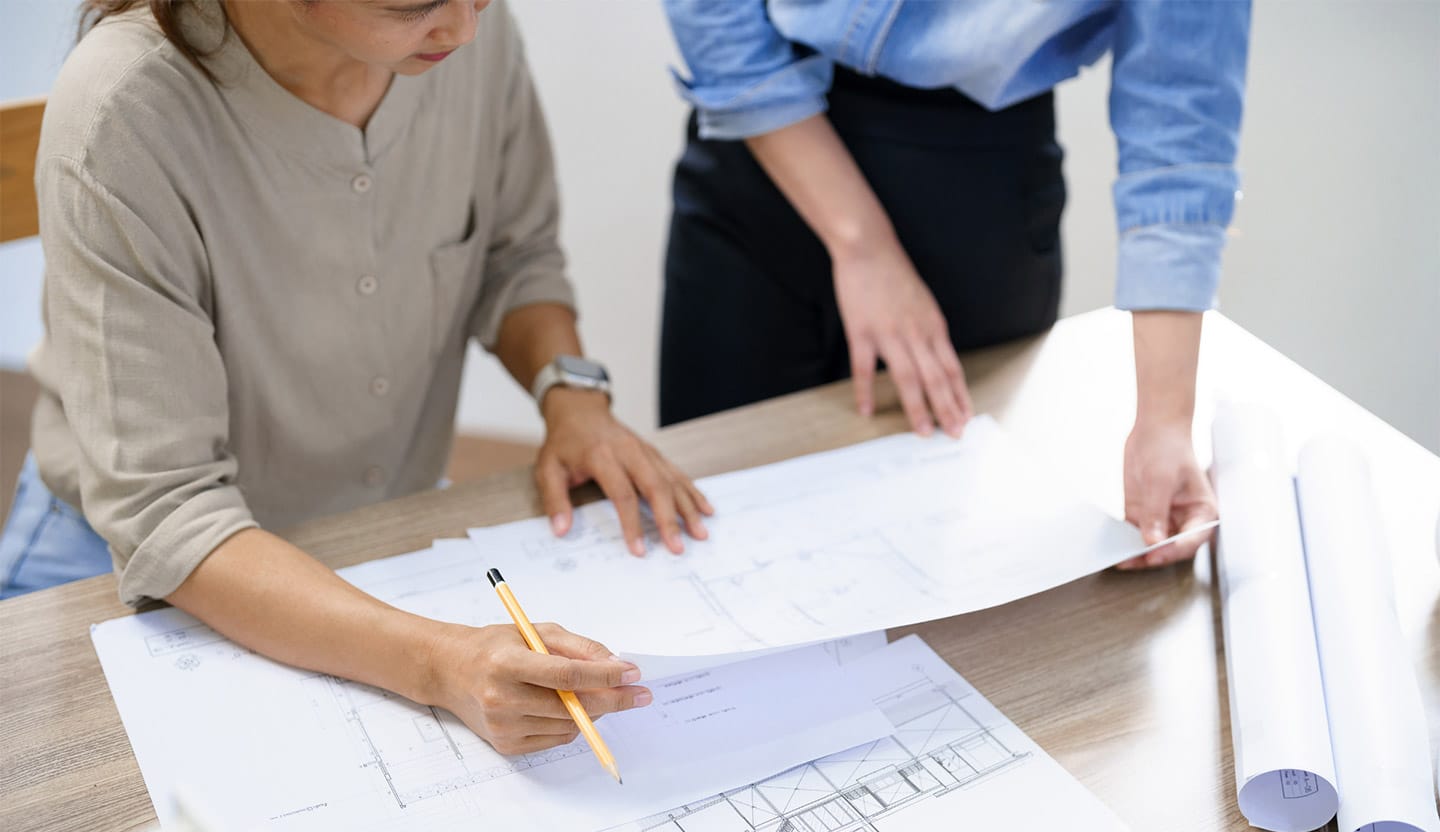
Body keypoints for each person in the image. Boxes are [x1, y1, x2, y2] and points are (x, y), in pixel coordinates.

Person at [0, 0, 715, 755]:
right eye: (411, 6)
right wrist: (441, 663)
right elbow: (167, 513)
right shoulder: (124, 112)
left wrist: (572, 397)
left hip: (374, 539)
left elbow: (516, 256)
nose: (467, 28)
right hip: (127, 565)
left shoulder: (465, 31)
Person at [658, 0, 1250, 569]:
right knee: (711, 527)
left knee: (939, 566)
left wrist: (1166, 420)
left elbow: (1182, 112)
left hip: (980, 188)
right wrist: (861, 243)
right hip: (760, 142)